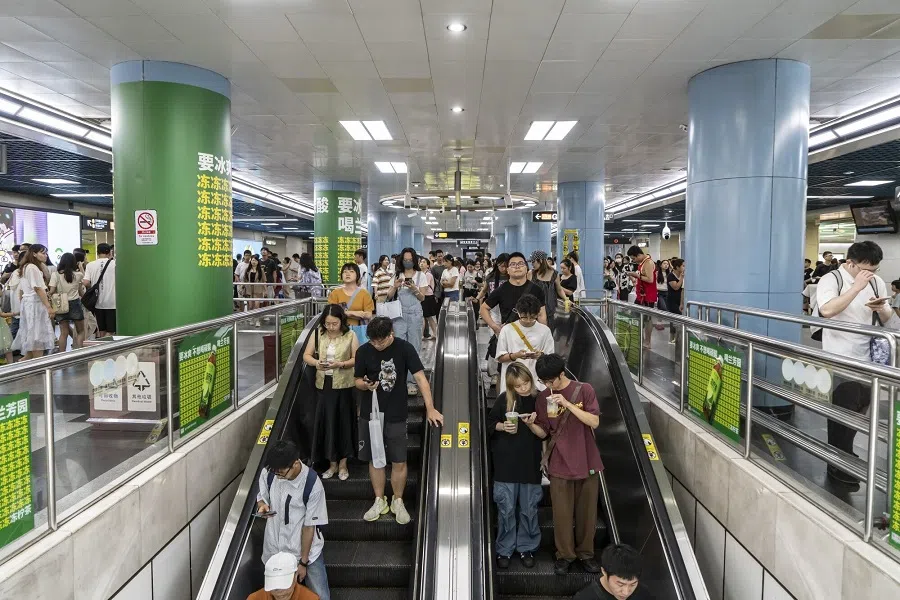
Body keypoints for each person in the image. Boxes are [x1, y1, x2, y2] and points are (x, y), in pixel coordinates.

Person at [816, 241, 899, 489]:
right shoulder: (832, 280)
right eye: (865, 269)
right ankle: (837, 464)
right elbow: (827, 310)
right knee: (842, 410)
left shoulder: (875, 282)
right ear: (850, 263)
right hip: (840, 358)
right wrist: (856, 288)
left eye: (874, 270)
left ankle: (844, 455)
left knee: (859, 410)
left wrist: (881, 307)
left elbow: (891, 324)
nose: (871, 275)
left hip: (869, 361)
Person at [354, 317, 443, 523]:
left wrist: (430, 408)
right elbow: (357, 379)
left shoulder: (405, 348)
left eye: (380, 341)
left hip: (396, 412)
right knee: (375, 458)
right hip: (370, 414)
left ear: (390, 334)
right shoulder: (363, 351)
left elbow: (421, 378)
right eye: (373, 341)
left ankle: (398, 500)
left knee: (399, 459)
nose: (376, 345)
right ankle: (379, 499)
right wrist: (365, 385)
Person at [522, 353, 603, 576]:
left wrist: (567, 403)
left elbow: (594, 422)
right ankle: (565, 555)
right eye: (543, 382)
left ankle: (586, 554)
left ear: (561, 374)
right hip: (559, 461)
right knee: (562, 514)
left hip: (587, 460)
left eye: (551, 381)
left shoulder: (584, 390)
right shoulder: (542, 398)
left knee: (587, 514)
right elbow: (544, 432)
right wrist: (531, 425)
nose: (548, 386)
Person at [256, 441, 330, 600]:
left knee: (320, 596)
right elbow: (261, 497)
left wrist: (303, 563)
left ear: (295, 463)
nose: (278, 476)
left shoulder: (312, 484)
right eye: (275, 472)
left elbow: (309, 527)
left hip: (305, 553)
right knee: (276, 595)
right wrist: (262, 506)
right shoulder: (271, 472)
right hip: (274, 550)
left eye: (281, 473)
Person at [488, 362, 543, 570]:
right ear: (511, 386)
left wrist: (532, 424)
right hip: (505, 463)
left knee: (529, 509)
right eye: (518, 386)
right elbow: (489, 423)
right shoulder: (504, 400)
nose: (524, 388)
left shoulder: (540, 400)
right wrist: (502, 426)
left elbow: (546, 431)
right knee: (506, 508)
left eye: (526, 383)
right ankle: (504, 548)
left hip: (530, 461)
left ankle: (527, 547)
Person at [304, 304, 359, 481]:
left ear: (341, 321)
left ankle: (343, 464)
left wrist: (340, 364)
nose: (331, 327)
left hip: (344, 385)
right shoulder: (318, 334)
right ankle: (331, 463)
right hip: (324, 385)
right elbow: (307, 355)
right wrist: (315, 363)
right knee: (328, 424)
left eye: (334, 323)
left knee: (343, 423)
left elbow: (356, 359)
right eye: (327, 323)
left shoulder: (350, 335)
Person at [495, 294, 555, 394]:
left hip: (537, 383)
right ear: (518, 312)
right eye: (524, 317)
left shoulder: (545, 331)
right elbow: (500, 358)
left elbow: (550, 357)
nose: (528, 320)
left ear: (537, 314)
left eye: (532, 317)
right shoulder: (507, 330)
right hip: (513, 382)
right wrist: (515, 356)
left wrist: (540, 356)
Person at [389, 247, 430, 395]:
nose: (407, 262)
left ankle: (412, 382)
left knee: (414, 348)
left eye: (410, 260)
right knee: (398, 347)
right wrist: (395, 286)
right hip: (399, 315)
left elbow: (422, 297)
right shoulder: (396, 275)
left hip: (415, 315)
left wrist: (414, 288)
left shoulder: (421, 276)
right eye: (405, 260)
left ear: (415, 260)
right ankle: (399, 380)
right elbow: (388, 295)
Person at [480, 252, 548, 334]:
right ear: (508, 270)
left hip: (531, 336)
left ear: (526, 268)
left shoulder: (536, 290)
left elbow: (541, 315)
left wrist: (543, 334)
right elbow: (483, 309)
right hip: (510, 336)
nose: (517, 266)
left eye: (521, 263)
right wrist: (495, 327)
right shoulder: (501, 290)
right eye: (513, 264)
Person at [11, 244, 56, 359]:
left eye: (46, 253)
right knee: (37, 337)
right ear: (34, 254)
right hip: (35, 304)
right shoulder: (32, 267)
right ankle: (38, 367)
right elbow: (38, 288)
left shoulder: (27, 266)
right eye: (43, 252)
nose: (45, 255)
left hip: (30, 304)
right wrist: (48, 307)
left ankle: (24, 363)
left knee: (33, 336)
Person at [573, 544, 651, 600]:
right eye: (620, 584)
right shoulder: (585, 597)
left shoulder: (643, 592)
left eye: (633, 584)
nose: (626, 592)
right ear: (604, 571)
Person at [49, 252, 85, 351]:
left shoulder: (55, 275)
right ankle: (79, 353)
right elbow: (81, 290)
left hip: (60, 304)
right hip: (75, 303)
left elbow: (51, 291)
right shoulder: (78, 275)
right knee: (81, 331)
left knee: (63, 333)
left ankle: (62, 356)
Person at [247, 552, 316, 600]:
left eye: (284, 586)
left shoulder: (310, 598)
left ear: (295, 576)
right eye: (275, 588)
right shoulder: (254, 598)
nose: (280, 593)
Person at [82, 242, 116, 337]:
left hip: (97, 302)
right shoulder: (115, 264)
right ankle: (108, 349)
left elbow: (86, 282)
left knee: (102, 330)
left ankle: (102, 347)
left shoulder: (90, 265)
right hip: (112, 302)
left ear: (97, 252)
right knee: (111, 330)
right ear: (109, 252)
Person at [625, 246, 656, 349]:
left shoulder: (648, 263)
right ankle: (641, 340)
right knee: (637, 317)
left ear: (639, 255)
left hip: (647, 297)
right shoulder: (642, 263)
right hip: (641, 295)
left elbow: (650, 279)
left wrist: (636, 275)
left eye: (634, 258)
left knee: (647, 319)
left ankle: (647, 342)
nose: (633, 261)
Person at [528, 250, 566, 325]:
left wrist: (566, 299)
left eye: (533, 262)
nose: (532, 264)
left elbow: (559, 289)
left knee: (548, 332)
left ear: (541, 261)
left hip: (550, 310)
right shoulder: (531, 274)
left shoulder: (554, 274)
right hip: (534, 310)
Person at [419, 256, 439, 340]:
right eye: (421, 262)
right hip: (425, 297)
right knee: (427, 317)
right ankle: (434, 333)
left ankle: (422, 335)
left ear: (428, 265)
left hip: (427, 298)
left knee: (425, 317)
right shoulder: (421, 274)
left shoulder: (427, 274)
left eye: (424, 262)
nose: (421, 264)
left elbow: (425, 287)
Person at [667, 259, 685, 344]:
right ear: (677, 267)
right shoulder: (671, 276)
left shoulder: (683, 275)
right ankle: (672, 338)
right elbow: (676, 287)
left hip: (680, 300)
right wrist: (681, 278)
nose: (684, 268)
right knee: (674, 318)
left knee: (678, 319)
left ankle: (677, 338)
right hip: (672, 301)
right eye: (683, 266)